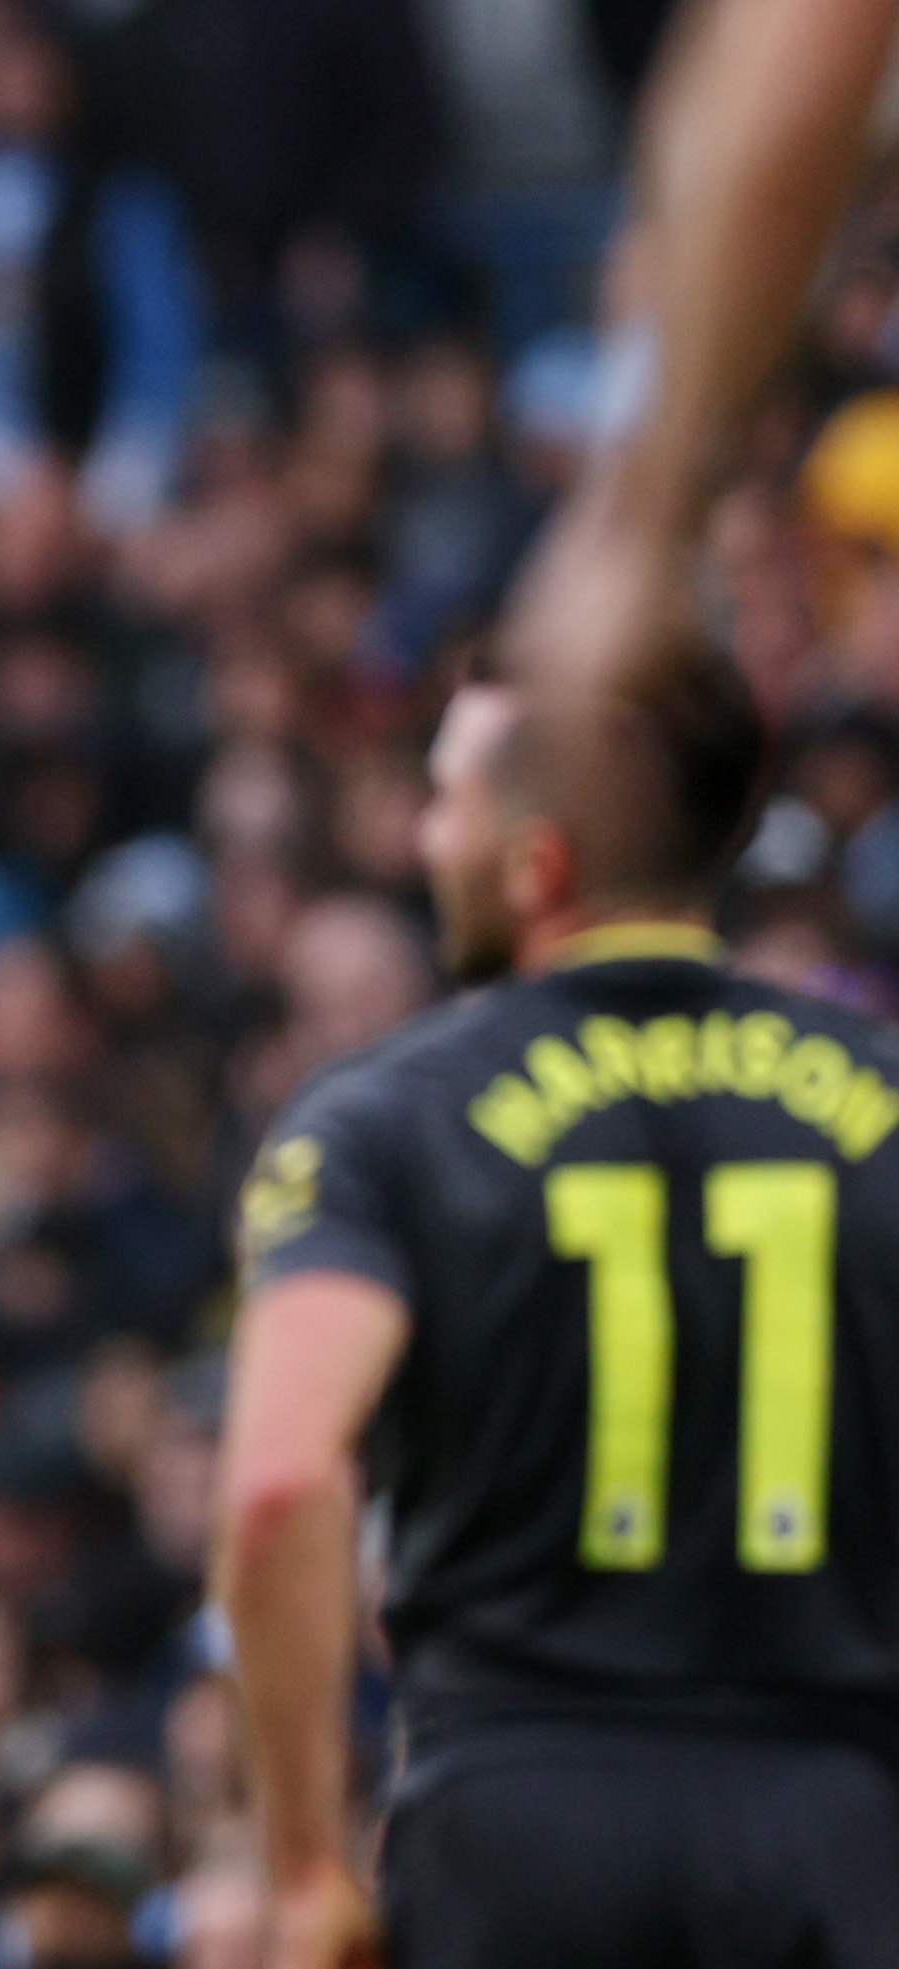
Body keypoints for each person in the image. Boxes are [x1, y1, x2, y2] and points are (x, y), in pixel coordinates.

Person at [216, 658, 899, 1969]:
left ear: (536, 863)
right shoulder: (874, 1096)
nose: (426, 835)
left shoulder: (387, 1114)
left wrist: (305, 1862)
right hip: (838, 1818)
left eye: (447, 800)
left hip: (521, 1821)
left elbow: (278, 1484)